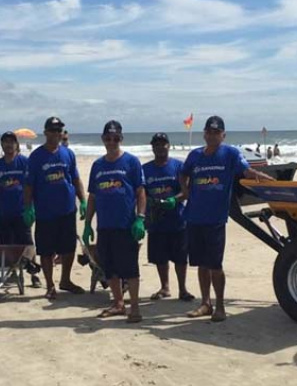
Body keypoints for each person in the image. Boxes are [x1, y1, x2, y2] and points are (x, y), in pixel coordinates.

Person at [180, 116, 274, 322]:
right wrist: (186, 192)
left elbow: (245, 170)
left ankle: (220, 306)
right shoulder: (194, 155)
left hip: (215, 218)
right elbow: (183, 174)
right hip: (194, 217)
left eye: (217, 132)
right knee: (200, 264)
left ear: (223, 135)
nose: (212, 135)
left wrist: (262, 177)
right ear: (204, 133)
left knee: (215, 265)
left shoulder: (230, 153)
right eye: (209, 132)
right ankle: (205, 303)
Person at [83, 120, 146, 322]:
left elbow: (140, 193)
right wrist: (87, 224)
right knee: (109, 268)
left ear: (121, 139)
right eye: (108, 138)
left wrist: (140, 218)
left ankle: (134, 307)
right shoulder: (98, 165)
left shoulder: (131, 162)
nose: (112, 142)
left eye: (116, 138)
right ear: (103, 139)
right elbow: (92, 196)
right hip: (104, 226)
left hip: (125, 225)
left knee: (130, 268)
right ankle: (118, 303)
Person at [23, 116, 87, 301]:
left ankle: (65, 280)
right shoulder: (36, 157)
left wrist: (82, 200)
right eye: (52, 130)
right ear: (45, 133)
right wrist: (28, 208)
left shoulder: (68, 154)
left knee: (68, 248)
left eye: (59, 130)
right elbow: (28, 185)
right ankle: (50, 285)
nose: (56, 134)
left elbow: (75, 179)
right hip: (45, 211)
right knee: (46, 250)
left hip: (67, 209)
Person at [142, 132, 194, 303]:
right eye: (156, 144)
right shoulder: (145, 169)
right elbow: (141, 193)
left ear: (168, 146)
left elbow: (186, 191)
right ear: (152, 147)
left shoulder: (178, 166)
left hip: (177, 219)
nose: (160, 147)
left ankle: (183, 289)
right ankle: (165, 287)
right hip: (156, 220)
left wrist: (175, 199)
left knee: (180, 257)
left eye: (163, 144)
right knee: (160, 257)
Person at [0, 131, 41, 286]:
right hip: (3, 212)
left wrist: (31, 208)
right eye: (5, 142)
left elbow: (31, 186)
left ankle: (34, 275)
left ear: (17, 144)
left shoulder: (24, 162)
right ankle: (12, 273)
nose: (9, 145)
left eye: (12, 142)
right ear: (2, 145)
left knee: (28, 244)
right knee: (4, 245)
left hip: (22, 211)